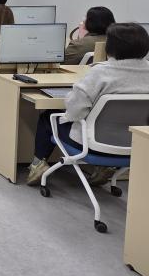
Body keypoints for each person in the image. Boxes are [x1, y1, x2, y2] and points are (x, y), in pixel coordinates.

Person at [26, 23, 149, 186]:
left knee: (49, 117)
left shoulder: (101, 72)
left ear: (110, 46)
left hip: (93, 144)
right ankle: (107, 167)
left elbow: (75, 111)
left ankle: (37, 165)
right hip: (137, 143)